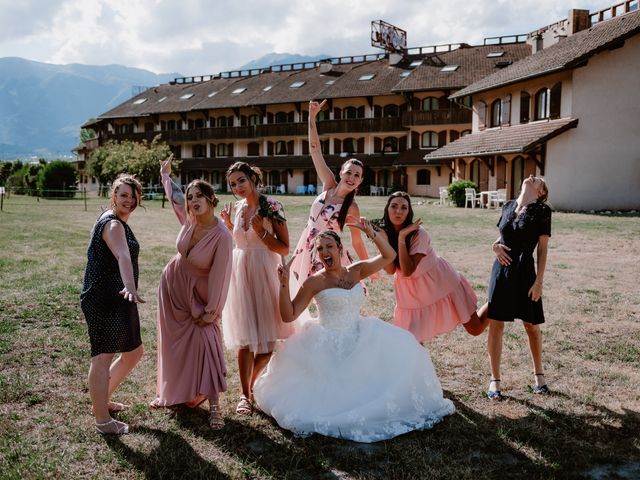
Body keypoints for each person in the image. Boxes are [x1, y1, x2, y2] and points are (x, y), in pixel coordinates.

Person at [253, 224, 455, 443]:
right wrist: (283, 285)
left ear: (340, 249)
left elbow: (389, 256)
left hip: (360, 335)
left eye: (329, 246)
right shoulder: (314, 282)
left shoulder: (356, 271)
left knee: (407, 346)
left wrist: (372, 234)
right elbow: (288, 315)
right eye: (319, 249)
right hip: (326, 343)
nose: (324, 253)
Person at [150, 156, 233, 429]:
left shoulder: (222, 236)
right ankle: (173, 393)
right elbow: (175, 197)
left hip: (198, 295)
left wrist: (212, 312)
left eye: (200, 196)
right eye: (191, 196)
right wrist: (165, 175)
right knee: (174, 344)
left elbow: (221, 277)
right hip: (172, 288)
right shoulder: (190, 219)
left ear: (212, 199)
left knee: (206, 342)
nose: (193, 200)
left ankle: (215, 408)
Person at [220, 162, 292, 416]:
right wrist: (230, 226)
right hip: (240, 273)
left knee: (269, 342)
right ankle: (244, 394)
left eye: (241, 180)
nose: (237, 187)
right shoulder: (239, 208)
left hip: (265, 271)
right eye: (232, 184)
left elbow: (284, 248)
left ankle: (250, 386)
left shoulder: (272, 206)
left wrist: (262, 232)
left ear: (253, 178)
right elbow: (242, 241)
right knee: (244, 338)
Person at [80, 174, 145, 435]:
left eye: (133, 195)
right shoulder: (113, 225)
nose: (129, 200)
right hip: (105, 298)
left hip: (117, 297)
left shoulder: (115, 219)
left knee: (133, 352)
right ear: (113, 196)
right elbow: (122, 255)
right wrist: (130, 286)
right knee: (103, 357)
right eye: (123, 195)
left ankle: (101, 401)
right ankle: (102, 420)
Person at [289, 99, 374, 292]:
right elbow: (315, 150)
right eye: (349, 172)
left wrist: (370, 266)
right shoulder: (328, 184)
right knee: (298, 291)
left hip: (328, 251)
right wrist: (311, 117)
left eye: (357, 175)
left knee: (326, 294)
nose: (351, 177)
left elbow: (356, 240)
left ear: (360, 182)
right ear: (341, 173)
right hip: (307, 244)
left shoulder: (351, 206)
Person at [379, 191, 487, 341]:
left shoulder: (419, 234)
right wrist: (382, 240)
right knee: (411, 339)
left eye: (404, 207)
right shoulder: (384, 233)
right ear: (387, 209)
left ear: (409, 212)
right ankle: (419, 365)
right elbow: (390, 270)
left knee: (475, 329)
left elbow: (408, 270)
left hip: (439, 281)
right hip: (409, 291)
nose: (398, 211)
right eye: (394, 206)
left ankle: (498, 301)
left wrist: (402, 237)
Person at [483, 175, 551, 400]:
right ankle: (495, 380)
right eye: (532, 176)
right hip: (501, 272)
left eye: (538, 180)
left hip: (525, 273)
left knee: (531, 325)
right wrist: (494, 246)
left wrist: (539, 281)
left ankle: (539, 376)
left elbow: (542, 249)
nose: (532, 176)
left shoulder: (542, 211)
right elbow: (503, 234)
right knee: (496, 324)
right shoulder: (508, 206)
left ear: (541, 192)